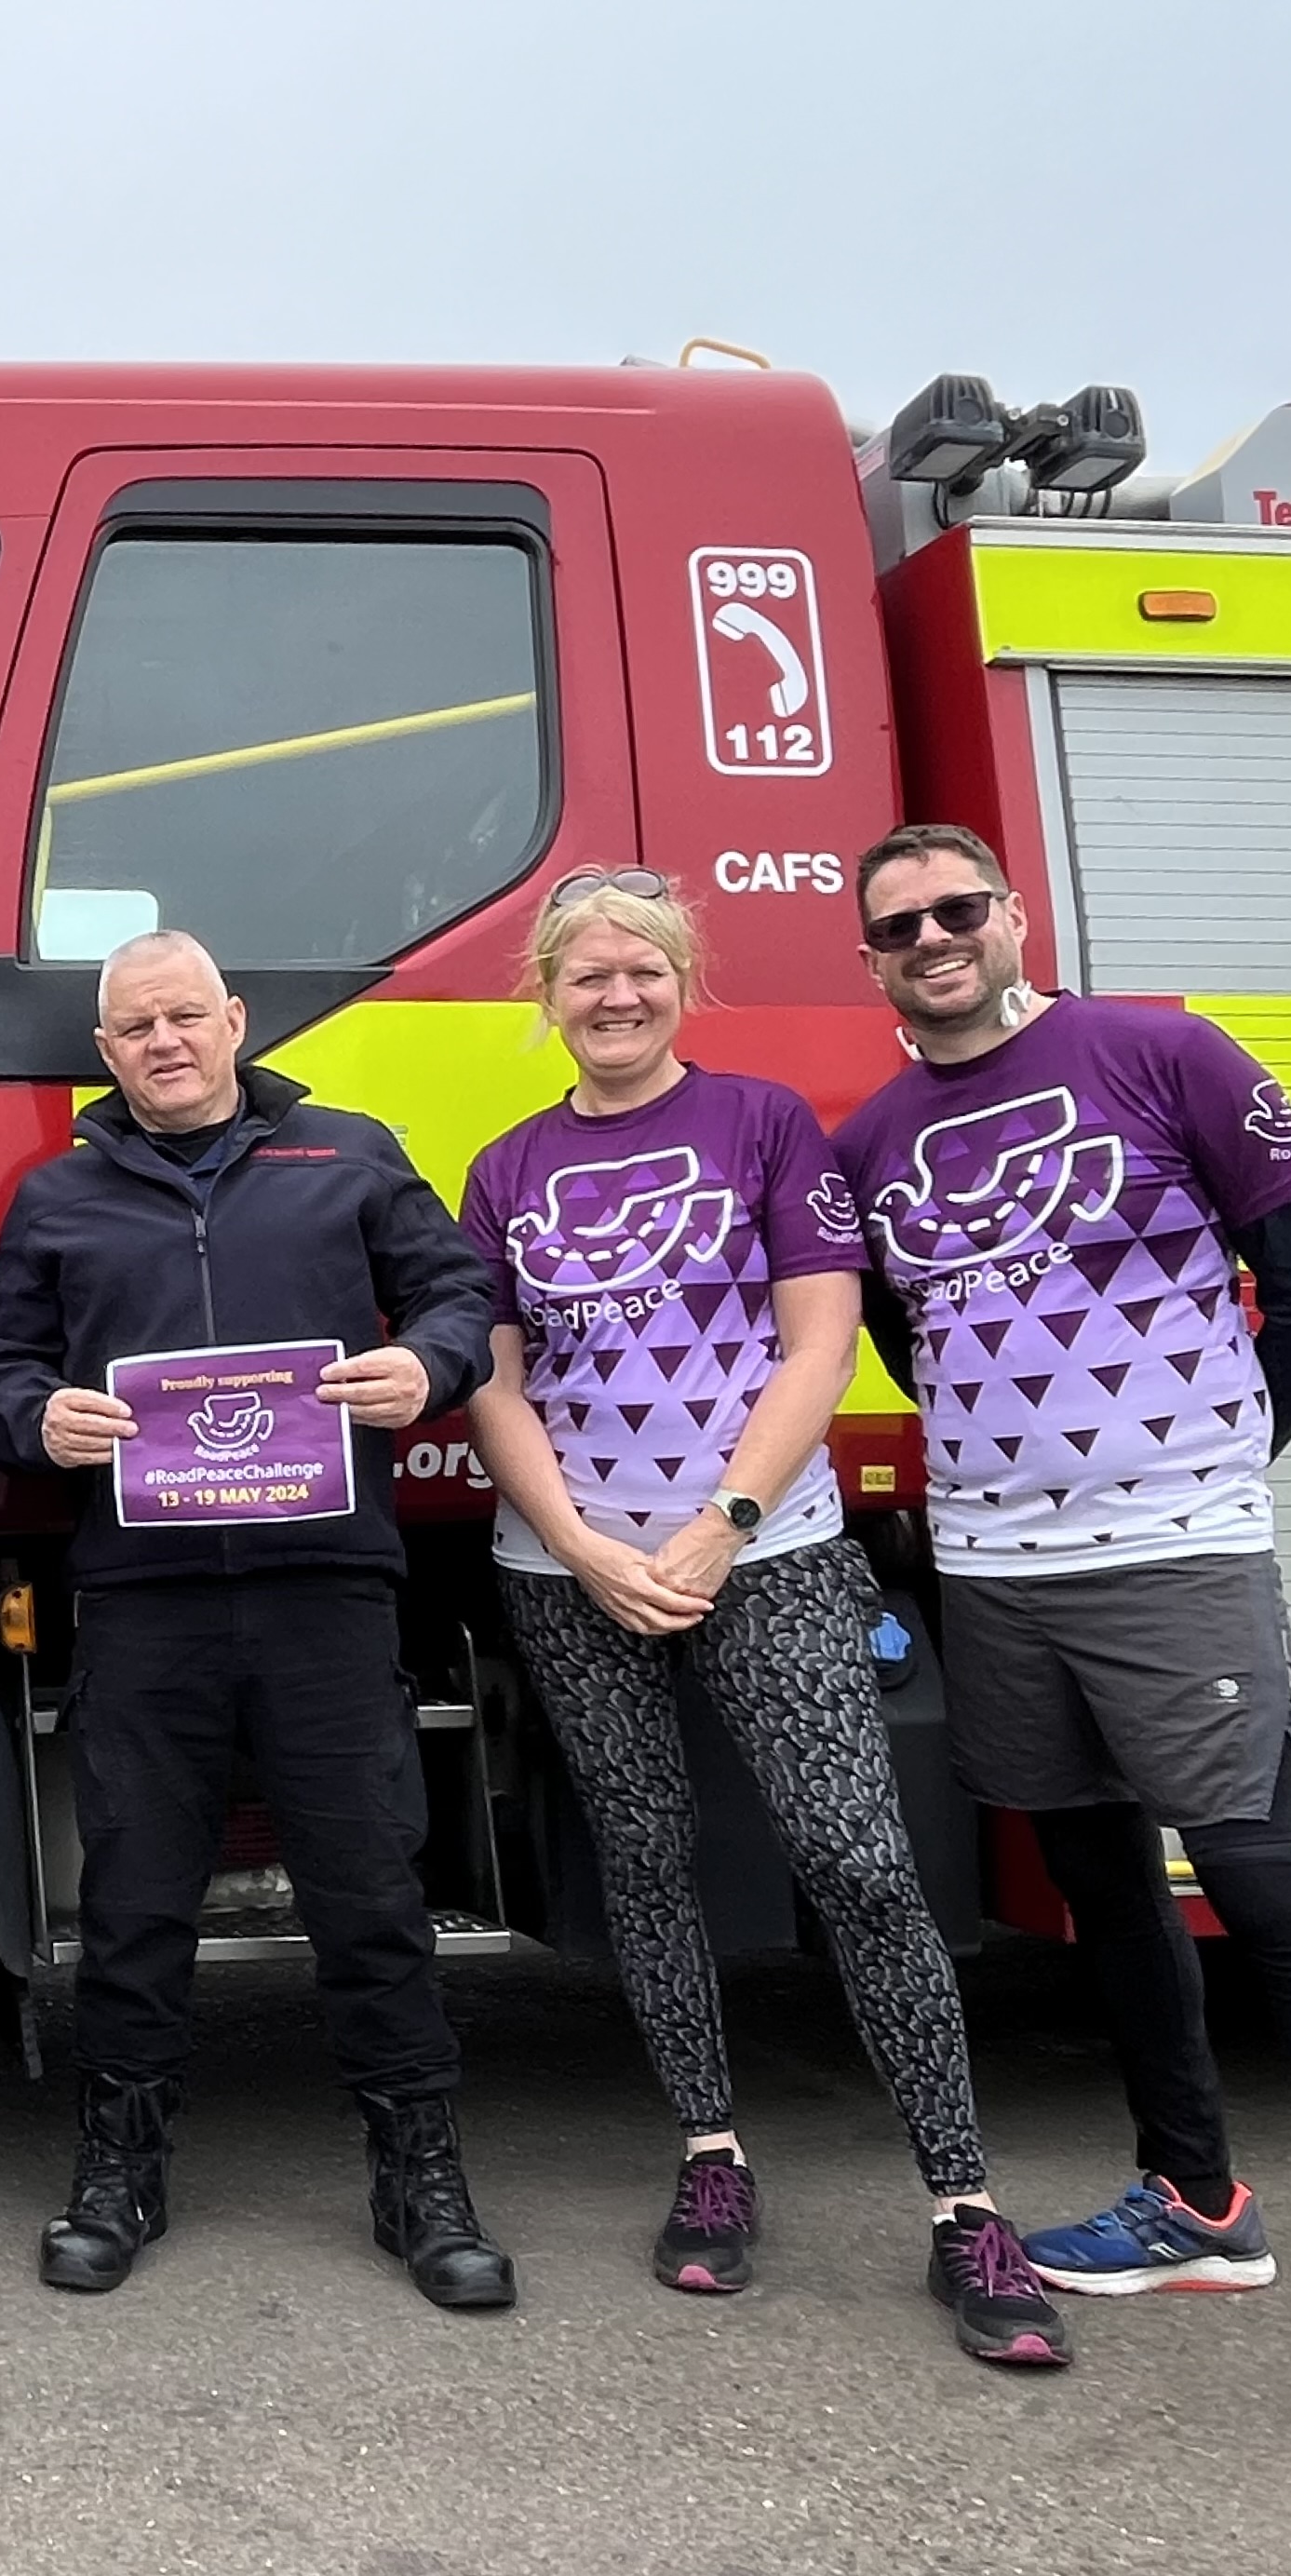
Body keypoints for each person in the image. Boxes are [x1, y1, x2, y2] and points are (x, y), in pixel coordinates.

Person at [838, 822, 1291, 2490]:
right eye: (899, 926)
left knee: (1278, 1903)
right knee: (1100, 1880)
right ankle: (1195, 2197)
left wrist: (1209, 1459)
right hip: (996, 1569)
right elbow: (905, 1333)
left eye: (956, 909)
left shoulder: (1163, 1052)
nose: (932, 939)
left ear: (1012, 917)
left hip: (1178, 1561)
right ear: (870, 959)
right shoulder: (870, 1138)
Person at [458, 868, 1066, 2367]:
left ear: (682, 981)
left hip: (770, 1552)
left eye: (644, 971)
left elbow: (821, 1340)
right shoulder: (506, 1165)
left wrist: (717, 1525)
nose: (617, 996)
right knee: (646, 1857)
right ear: (548, 992)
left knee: (858, 1860)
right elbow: (494, 1382)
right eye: (589, 975)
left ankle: (965, 2203)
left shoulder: (765, 1123)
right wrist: (582, 1544)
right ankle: (711, 2153)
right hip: (572, 1574)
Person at [0, 929, 513, 2310]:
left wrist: (427, 1365)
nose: (163, 1042)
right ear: (105, 1052)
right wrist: (39, 1417)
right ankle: (121, 2165)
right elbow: (5, 1369)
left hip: (324, 1584)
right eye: (134, 1027)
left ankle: (420, 2174)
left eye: (184, 1016)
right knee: (134, 1894)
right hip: (142, 1597)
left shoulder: (351, 1154)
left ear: (233, 1020)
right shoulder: (57, 1195)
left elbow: (461, 1292)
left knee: (368, 1888)